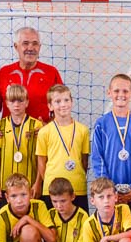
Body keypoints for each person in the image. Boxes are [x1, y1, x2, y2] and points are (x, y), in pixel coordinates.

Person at [91, 74, 131, 218]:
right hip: (109, 196)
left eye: (125, 91)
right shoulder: (101, 124)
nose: (121, 95)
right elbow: (97, 160)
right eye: (117, 91)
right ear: (109, 92)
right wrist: (109, 190)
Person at [0, 27, 63, 124]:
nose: (30, 48)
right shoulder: (4, 73)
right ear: (16, 46)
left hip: (41, 137)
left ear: (39, 47)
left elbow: (61, 108)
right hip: (10, 137)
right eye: (25, 43)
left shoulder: (51, 73)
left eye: (35, 44)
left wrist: (47, 128)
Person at [35, 84, 90, 212]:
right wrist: (50, 184)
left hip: (77, 188)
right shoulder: (45, 132)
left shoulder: (83, 130)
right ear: (50, 106)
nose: (63, 104)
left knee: (79, 227)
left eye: (66, 100)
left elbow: (84, 161)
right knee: (53, 228)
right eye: (57, 101)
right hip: (52, 191)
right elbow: (41, 162)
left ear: (71, 102)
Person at [0, 85, 43, 208]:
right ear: (7, 103)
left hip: (30, 185)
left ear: (27, 102)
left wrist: (38, 183)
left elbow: (41, 157)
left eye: (20, 100)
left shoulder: (37, 125)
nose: (16, 105)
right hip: (6, 185)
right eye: (12, 101)